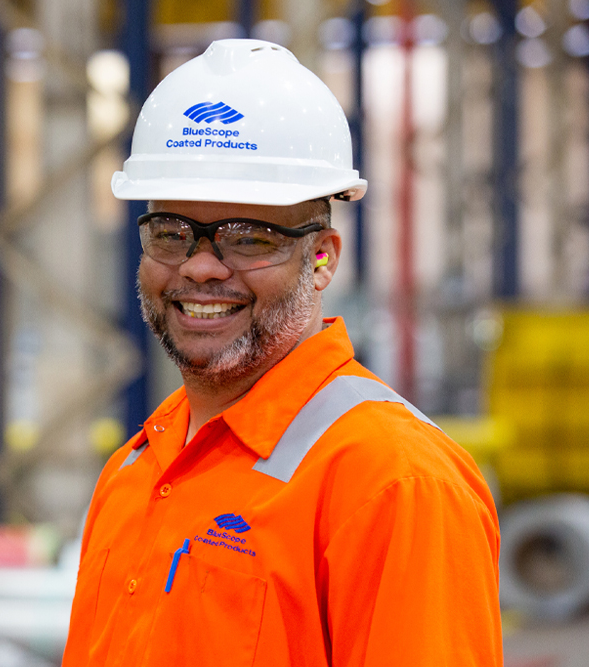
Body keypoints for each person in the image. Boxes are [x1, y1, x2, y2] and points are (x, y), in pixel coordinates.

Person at [62, 39, 501, 667]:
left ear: (321, 258)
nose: (202, 266)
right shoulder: (136, 472)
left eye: (248, 239)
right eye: (171, 233)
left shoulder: (393, 482)